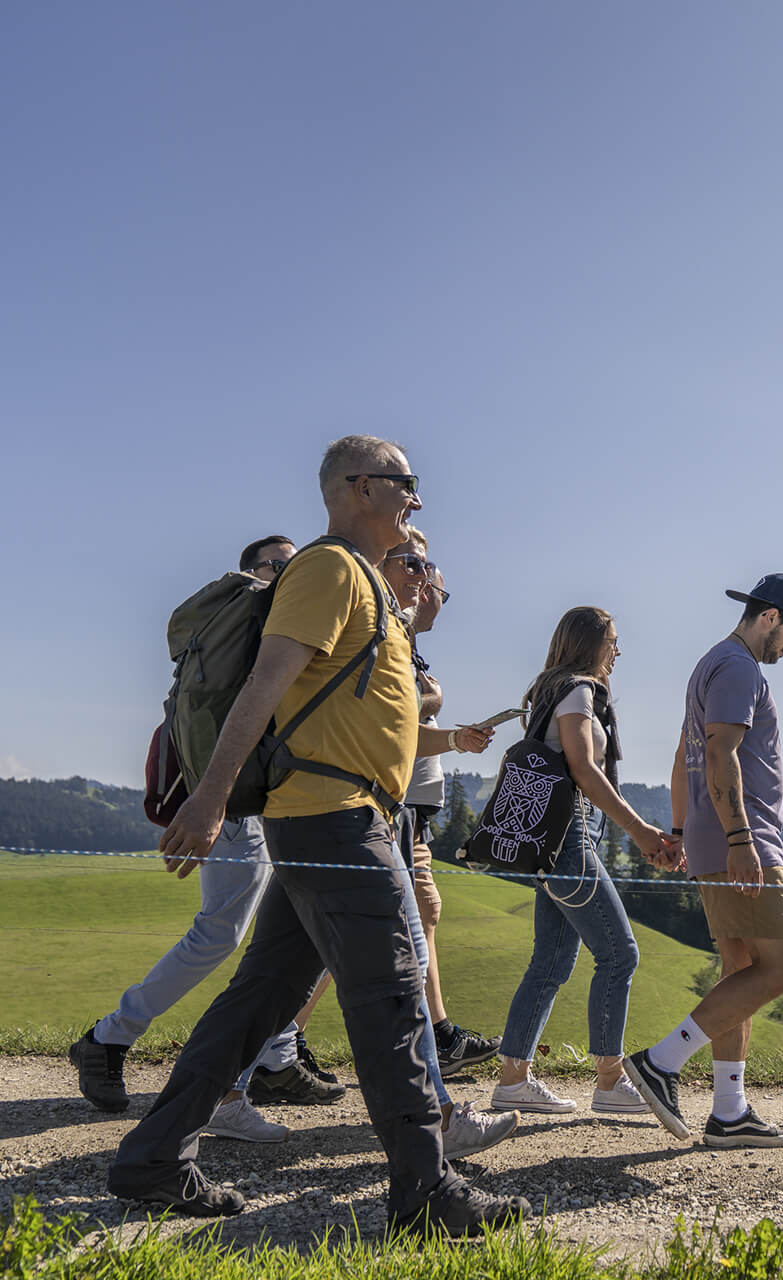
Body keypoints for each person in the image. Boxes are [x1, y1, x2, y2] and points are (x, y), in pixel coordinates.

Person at [107, 436, 530, 1239]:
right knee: (392, 997)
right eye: (406, 482)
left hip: (335, 818)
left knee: (260, 999)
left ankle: (153, 1157)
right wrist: (209, 797)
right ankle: (425, 1193)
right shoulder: (330, 570)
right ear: (359, 487)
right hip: (336, 821)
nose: (417, 497)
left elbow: (372, 717)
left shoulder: (368, 585)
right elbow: (265, 685)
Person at [70, 536, 343, 1144]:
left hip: (270, 793)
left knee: (288, 929)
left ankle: (274, 1057)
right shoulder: (253, 617)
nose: (289, 571)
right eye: (278, 563)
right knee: (222, 931)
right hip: (238, 796)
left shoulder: (253, 624)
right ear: (251, 571)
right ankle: (108, 1038)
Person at [624, 573, 783, 1149]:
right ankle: (661, 1062)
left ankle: (729, 1111)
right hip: (744, 840)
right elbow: (719, 753)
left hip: (715, 839)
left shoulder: (710, 664)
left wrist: (682, 829)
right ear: (770, 617)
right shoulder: (739, 669)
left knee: (741, 971)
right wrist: (741, 840)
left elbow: (681, 756)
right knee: (781, 970)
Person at [489, 607, 680, 1117]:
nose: (617, 651)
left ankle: (513, 1080)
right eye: (612, 641)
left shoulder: (553, 690)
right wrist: (640, 831)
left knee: (550, 962)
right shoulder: (577, 691)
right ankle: (611, 1080)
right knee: (620, 955)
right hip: (570, 840)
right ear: (589, 644)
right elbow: (584, 770)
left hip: (554, 842)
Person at [380, 535, 500, 1072]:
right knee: (394, 922)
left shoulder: (405, 642)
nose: (435, 599)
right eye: (436, 588)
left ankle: (438, 1036)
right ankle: (281, 1045)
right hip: (396, 804)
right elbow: (396, 724)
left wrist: (449, 730)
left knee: (420, 914)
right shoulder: (390, 636)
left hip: (411, 806)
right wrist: (439, 708)